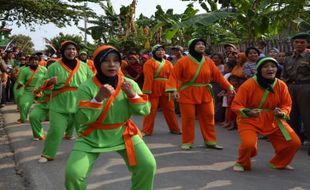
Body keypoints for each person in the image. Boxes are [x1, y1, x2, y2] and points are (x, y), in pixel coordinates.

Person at [65, 45, 156, 190]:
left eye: (116, 60)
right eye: (106, 61)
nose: (112, 64)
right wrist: (98, 98)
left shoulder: (129, 84)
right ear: (98, 63)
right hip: (91, 136)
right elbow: (82, 119)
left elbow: (145, 110)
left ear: (120, 63)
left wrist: (132, 94)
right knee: (73, 174)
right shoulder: (86, 87)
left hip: (124, 133)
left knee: (147, 165)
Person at [231, 57, 301, 172]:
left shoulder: (281, 85)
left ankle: (279, 162)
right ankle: (242, 163)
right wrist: (248, 112)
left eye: (273, 66)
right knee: (249, 144)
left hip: (273, 119)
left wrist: (282, 113)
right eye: (265, 66)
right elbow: (236, 105)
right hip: (250, 119)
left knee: (294, 142)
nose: (270, 69)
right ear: (259, 69)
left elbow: (287, 104)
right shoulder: (248, 84)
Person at [168, 38, 235, 150]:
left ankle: (210, 141)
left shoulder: (208, 61)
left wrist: (229, 86)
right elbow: (173, 76)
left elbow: (218, 76)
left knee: (209, 117)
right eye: (198, 44)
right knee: (188, 118)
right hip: (187, 92)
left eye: (203, 44)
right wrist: (173, 90)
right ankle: (187, 141)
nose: (201, 46)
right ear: (192, 47)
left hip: (205, 92)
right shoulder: (183, 61)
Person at [38, 40, 93, 163]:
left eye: (73, 49)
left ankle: (87, 152)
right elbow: (41, 84)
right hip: (59, 105)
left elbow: (92, 82)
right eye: (68, 49)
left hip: (80, 104)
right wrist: (49, 82)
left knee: (84, 130)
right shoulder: (53, 67)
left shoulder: (84, 66)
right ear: (63, 51)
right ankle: (47, 154)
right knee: (55, 131)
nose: (71, 51)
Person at [141, 44, 181, 136]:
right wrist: (147, 91)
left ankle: (175, 129)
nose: (161, 52)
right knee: (151, 109)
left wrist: (174, 89)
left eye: (162, 50)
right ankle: (146, 130)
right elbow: (148, 78)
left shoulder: (168, 63)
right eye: (158, 50)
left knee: (170, 109)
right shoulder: (149, 63)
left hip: (167, 87)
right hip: (153, 87)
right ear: (154, 52)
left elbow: (173, 77)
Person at [282, 32, 310, 146]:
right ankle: (294, 138)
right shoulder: (289, 58)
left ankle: (309, 139)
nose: (299, 44)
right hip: (290, 87)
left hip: (306, 88)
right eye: (296, 42)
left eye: (302, 42)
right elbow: (284, 75)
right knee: (291, 114)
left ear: (307, 43)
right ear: (293, 43)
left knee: (306, 115)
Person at [16, 55, 47, 123]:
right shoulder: (25, 70)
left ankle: (45, 117)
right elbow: (21, 80)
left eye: (36, 60)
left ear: (38, 61)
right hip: (29, 90)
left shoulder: (44, 69)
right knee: (23, 104)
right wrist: (20, 83)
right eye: (32, 60)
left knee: (46, 103)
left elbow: (47, 78)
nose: (34, 61)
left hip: (41, 90)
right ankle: (23, 118)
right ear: (29, 61)